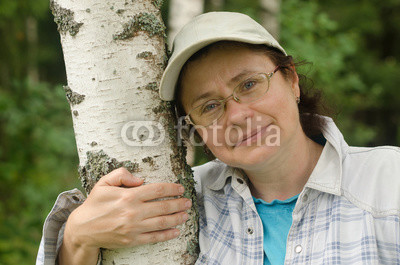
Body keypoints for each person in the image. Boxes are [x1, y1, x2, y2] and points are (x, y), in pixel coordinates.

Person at [37, 12, 400, 265]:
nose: (238, 115)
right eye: (210, 106)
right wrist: (77, 237)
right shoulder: (177, 201)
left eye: (249, 84)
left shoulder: (388, 183)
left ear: (291, 79)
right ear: (194, 128)